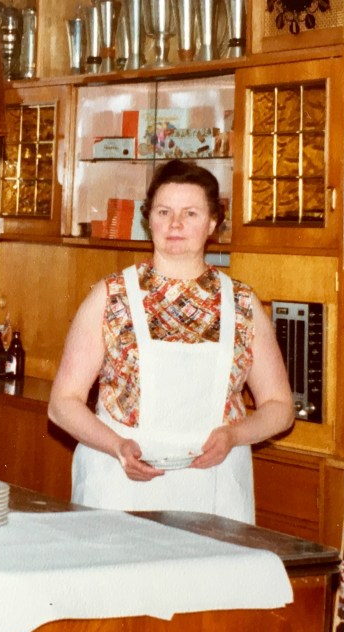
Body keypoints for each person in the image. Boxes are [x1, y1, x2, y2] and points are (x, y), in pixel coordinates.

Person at [48, 159, 295, 523]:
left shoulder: (242, 303)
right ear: (149, 219)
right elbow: (62, 403)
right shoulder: (111, 297)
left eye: (190, 213)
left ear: (212, 223)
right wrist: (116, 446)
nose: (175, 224)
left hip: (213, 490)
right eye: (164, 212)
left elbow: (280, 407)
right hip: (119, 485)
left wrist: (234, 435)